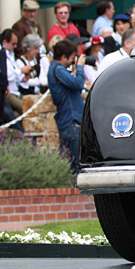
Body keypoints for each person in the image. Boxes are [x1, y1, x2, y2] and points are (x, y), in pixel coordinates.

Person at [47, 38, 85, 172]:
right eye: (73, 57)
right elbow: (78, 84)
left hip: (69, 122)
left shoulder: (58, 70)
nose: (74, 60)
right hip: (71, 122)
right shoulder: (58, 70)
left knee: (74, 164)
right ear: (63, 57)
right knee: (76, 166)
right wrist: (79, 67)